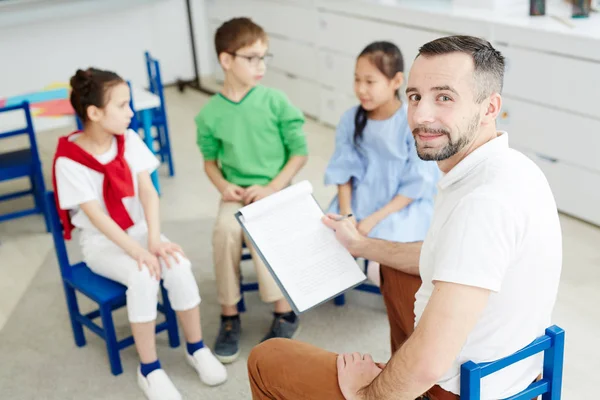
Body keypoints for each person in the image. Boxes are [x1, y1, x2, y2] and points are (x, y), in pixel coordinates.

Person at [247, 35, 562, 400]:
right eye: (415, 97)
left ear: (490, 108)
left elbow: (430, 362)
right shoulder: (511, 168)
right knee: (395, 270)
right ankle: (399, 372)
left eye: (444, 97)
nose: (421, 115)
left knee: (267, 357)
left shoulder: (482, 204)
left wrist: (367, 392)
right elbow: (444, 255)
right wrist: (361, 244)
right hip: (506, 367)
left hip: (458, 390)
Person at [53, 68, 226, 400]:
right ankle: (149, 369)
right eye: (122, 105)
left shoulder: (128, 139)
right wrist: (139, 252)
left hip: (141, 232)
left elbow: (149, 192)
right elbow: (97, 217)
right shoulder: (68, 161)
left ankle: (196, 348)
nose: (131, 112)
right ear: (94, 113)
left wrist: (155, 239)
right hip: (103, 244)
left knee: (177, 264)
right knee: (144, 275)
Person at [196, 17, 308, 364]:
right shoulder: (209, 114)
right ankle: (229, 315)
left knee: (260, 230)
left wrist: (272, 186)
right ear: (226, 60)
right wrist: (224, 186)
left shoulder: (276, 101)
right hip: (236, 193)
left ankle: (284, 311)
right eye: (252, 58)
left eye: (264, 57)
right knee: (225, 230)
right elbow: (210, 161)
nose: (261, 66)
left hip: (276, 189)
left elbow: (299, 153)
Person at [324, 41, 439, 286]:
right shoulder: (350, 119)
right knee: (322, 249)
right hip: (357, 202)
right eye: (357, 80)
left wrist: (373, 220)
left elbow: (417, 184)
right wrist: (347, 215)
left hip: (399, 209)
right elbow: (343, 173)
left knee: (382, 270)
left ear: (396, 81)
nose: (361, 89)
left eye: (370, 81)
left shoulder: (413, 122)